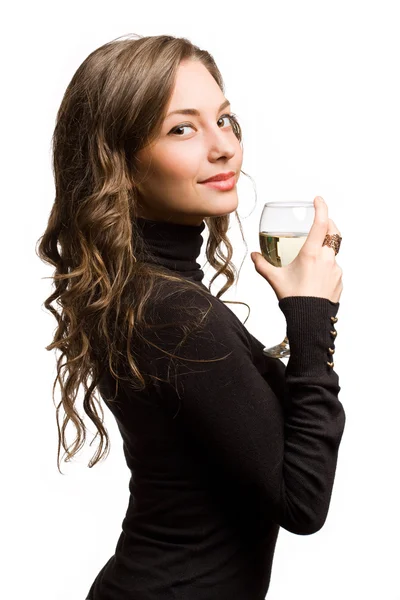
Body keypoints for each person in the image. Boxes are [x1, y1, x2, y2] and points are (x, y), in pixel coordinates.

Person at [37, 33, 345, 600]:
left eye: (225, 120)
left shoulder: (144, 291)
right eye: (182, 128)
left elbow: (252, 427)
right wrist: (311, 317)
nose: (223, 146)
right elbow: (301, 500)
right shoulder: (172, 310)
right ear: (120, 163)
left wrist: (305, 318)